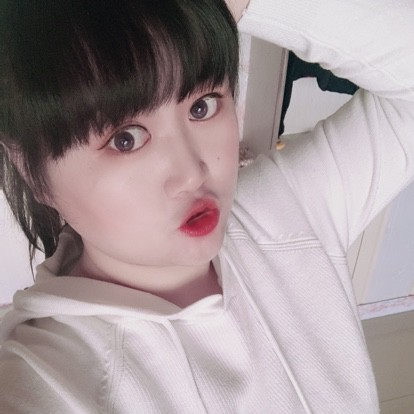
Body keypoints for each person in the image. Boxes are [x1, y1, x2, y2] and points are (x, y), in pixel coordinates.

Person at [0, 0, 413, 412]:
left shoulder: (285, 207)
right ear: (31, 170)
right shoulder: (50, 377)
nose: (192, 174)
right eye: (126, 139)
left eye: (202, 106)